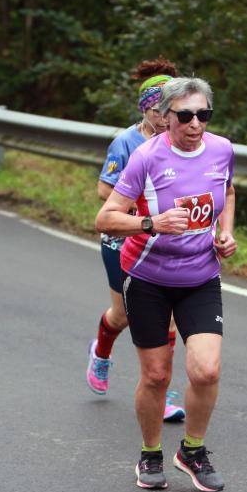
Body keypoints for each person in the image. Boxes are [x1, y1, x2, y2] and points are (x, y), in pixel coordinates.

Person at [95, 77, 237, 492]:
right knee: (156, 376)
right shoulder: (146, 157)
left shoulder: (222, 150)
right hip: (147, 277)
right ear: (167, 115)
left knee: (206, 370)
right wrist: (150, 223)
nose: (196, 124)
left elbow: (227, 191)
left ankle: (192, 451)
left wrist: (225, 234)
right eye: (187, 115)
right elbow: (105, 218)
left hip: (200, 275)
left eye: (204, 115)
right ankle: (151, 452)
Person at [86, 57, 185, 422]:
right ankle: (101, 350)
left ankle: (166, 391)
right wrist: (138, 209)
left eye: (171, 110)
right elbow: (103, 190)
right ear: (146, 110)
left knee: (169, 318)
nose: (165, 117)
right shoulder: (126, 142)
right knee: (123, 314)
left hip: (165, 242)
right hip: (123, 241)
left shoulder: (182, 140)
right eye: (159, 111)